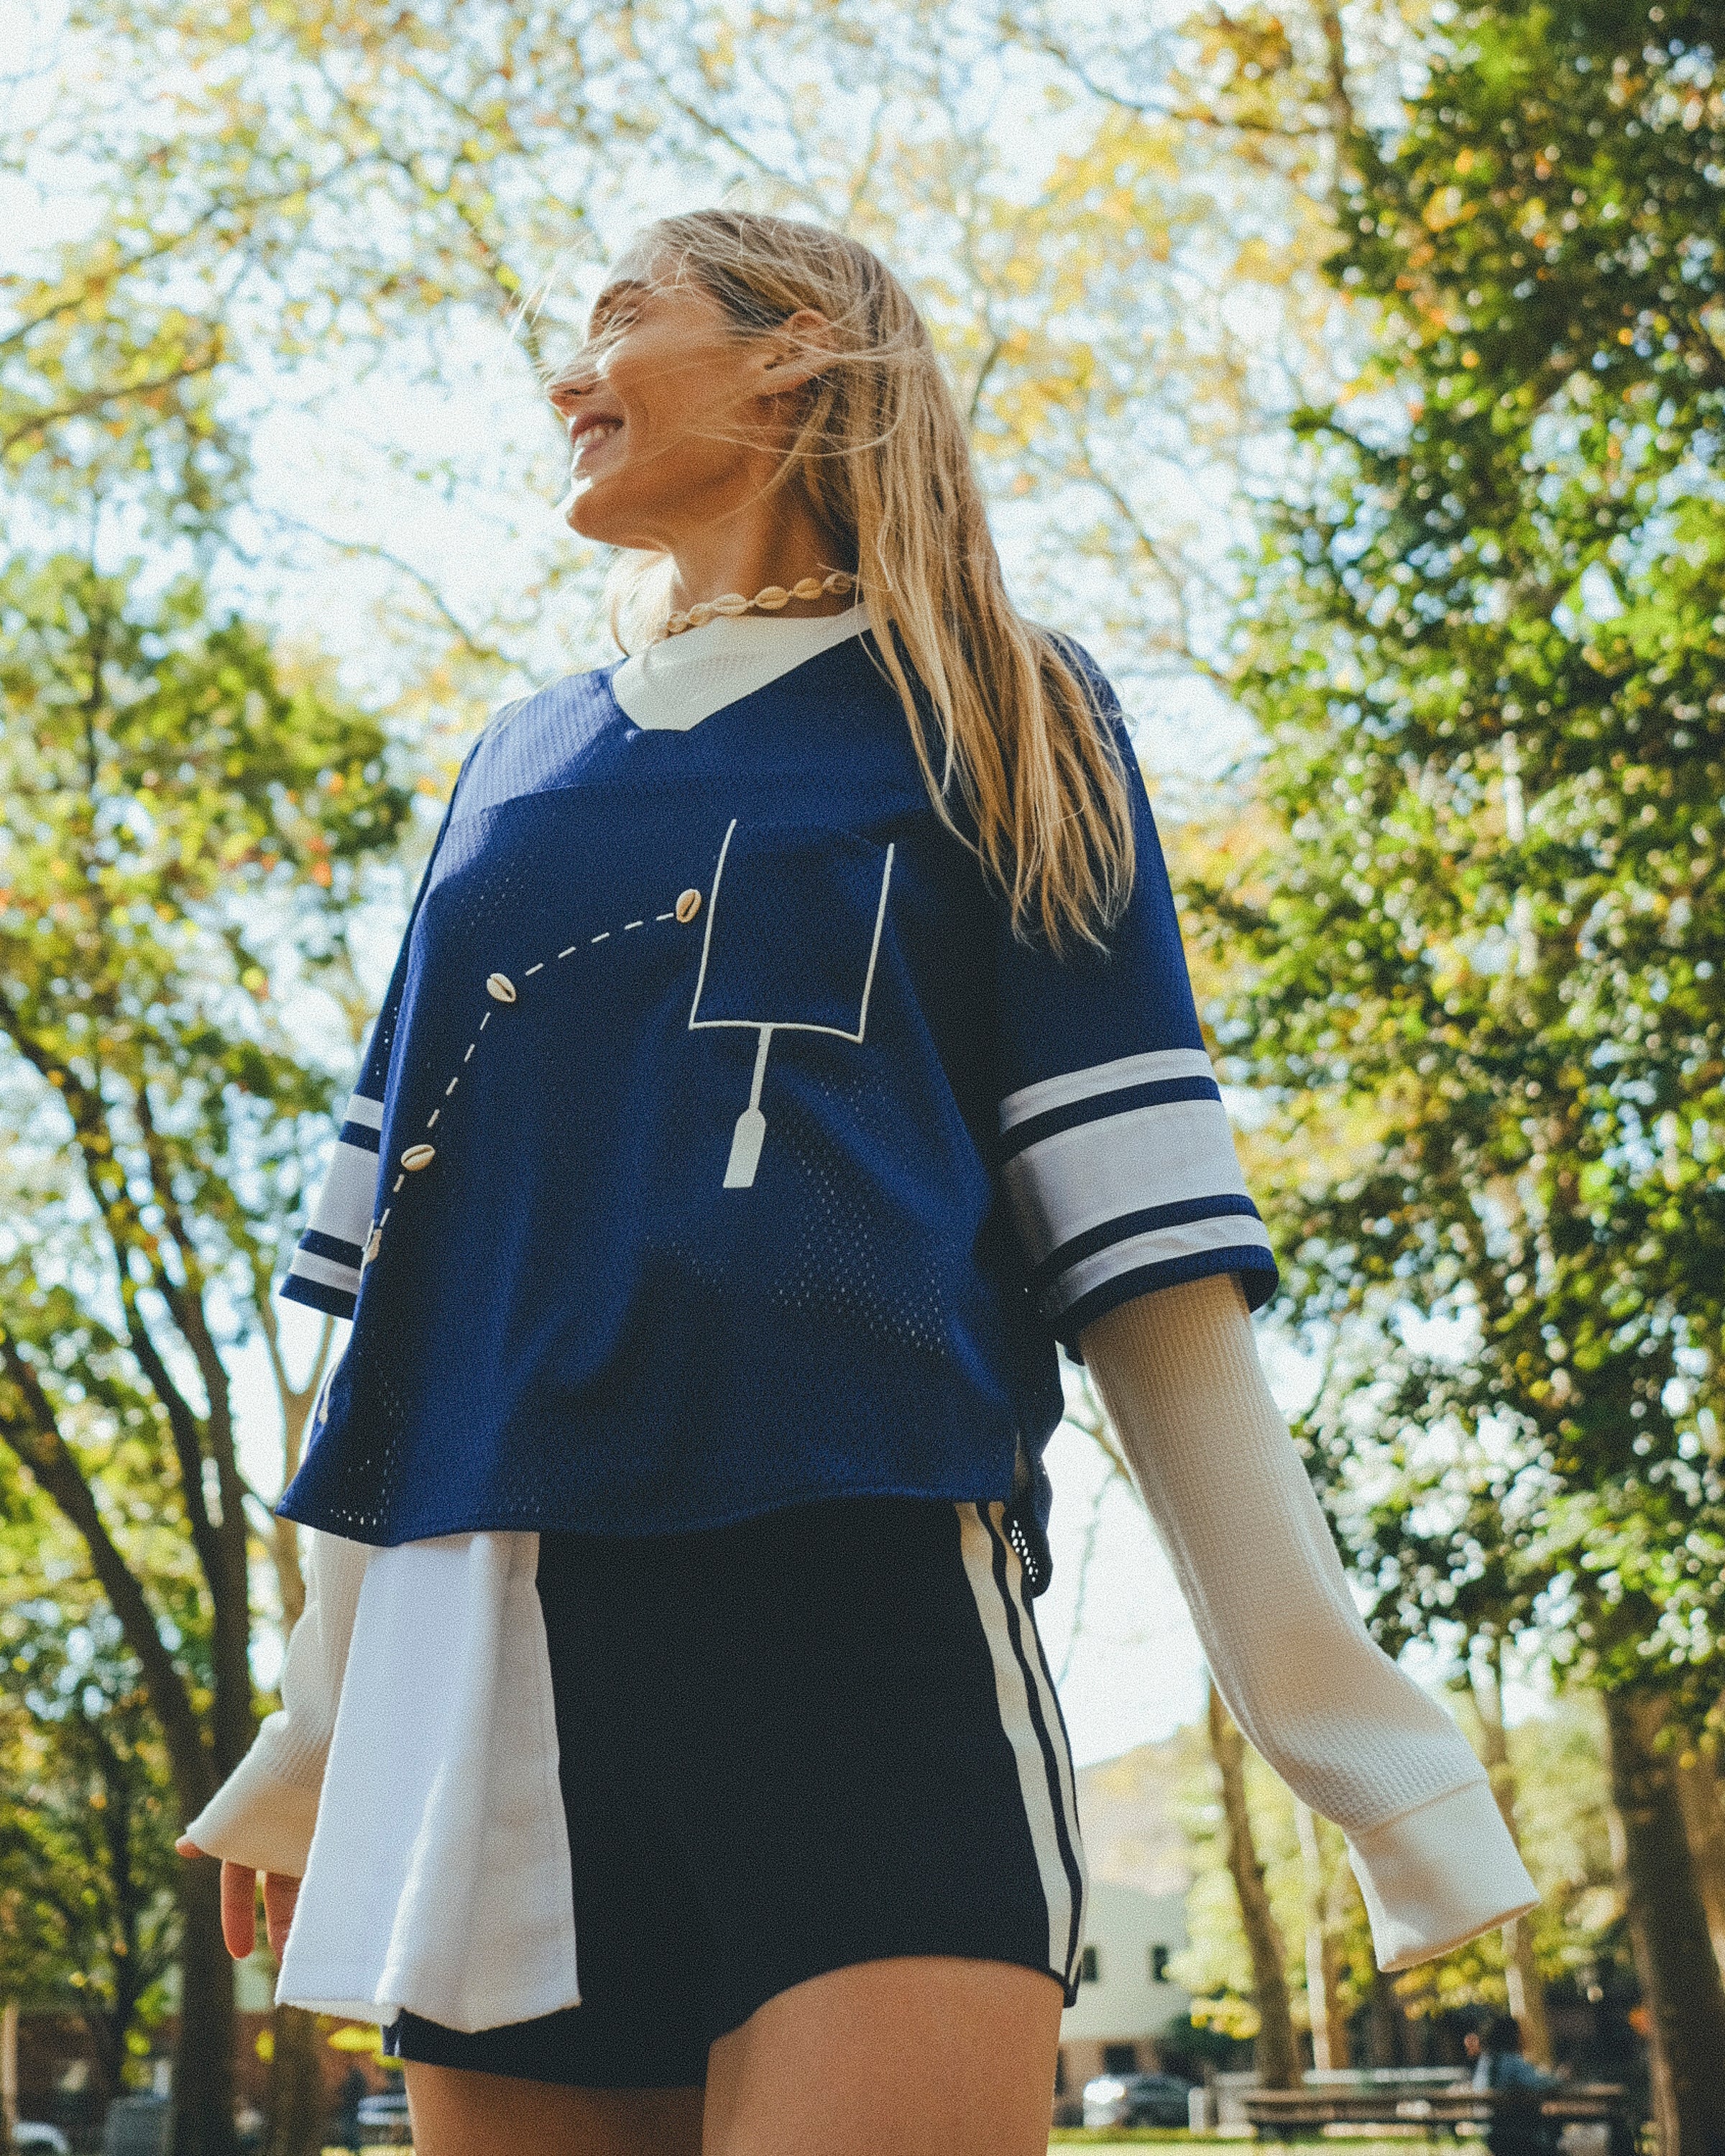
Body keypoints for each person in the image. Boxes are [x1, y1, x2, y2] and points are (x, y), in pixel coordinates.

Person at [176, 208, 1538, 2156]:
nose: (569, 375)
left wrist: (1372, 1755)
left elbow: (1148, 1268)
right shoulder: (508, 763)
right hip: (486, 1673)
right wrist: (318, 1730)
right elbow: (401, 1290)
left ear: (797, 348)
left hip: (860, 1630)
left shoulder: (999, 704)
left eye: (621, 318)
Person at [1467, 2017, 1559, 2156]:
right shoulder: (1512, 2062)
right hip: (1517, 2133)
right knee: (1554, 2121)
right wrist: (1560, 2078)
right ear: (1512, 2036)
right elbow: (1539, 2083)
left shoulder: (1485, 2062)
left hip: (1491, 2131)